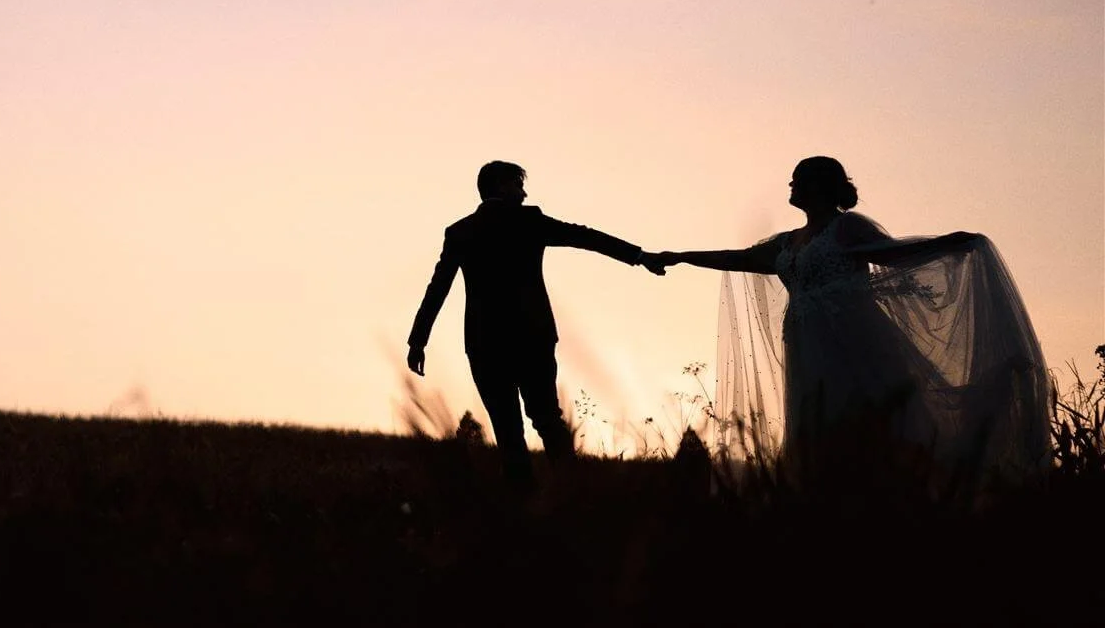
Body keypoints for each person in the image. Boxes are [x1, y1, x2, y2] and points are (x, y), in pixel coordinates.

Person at [644, 155, 1049, 482]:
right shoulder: (789, 242)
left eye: (798, 179)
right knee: (817, 426)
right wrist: (680, 257)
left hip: (855, 342)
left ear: (819, 185)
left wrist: (950, 243)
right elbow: (742, 259)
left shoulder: (847, 228)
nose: (791, 185)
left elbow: (892, 254)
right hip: (806, 347)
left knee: (868, 418)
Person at [407, 160, 664, 486]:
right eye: (518, 185)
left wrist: (418, 340)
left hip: (485, 344)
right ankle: (573, 495)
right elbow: (585, 237)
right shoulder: (530, 221)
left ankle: (522, 507)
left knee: (507, 430)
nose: (524, 192)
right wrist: (640, 256)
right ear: (501, 185)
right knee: (547, 419)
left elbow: (438, 288)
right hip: (533, 339)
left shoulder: (461, 232)